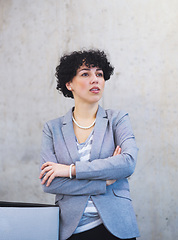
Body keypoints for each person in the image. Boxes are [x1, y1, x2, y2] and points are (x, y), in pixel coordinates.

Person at [39, 49, 140, 240]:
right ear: (69, 84)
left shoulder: (118, 119)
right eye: (85, 74)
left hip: (116, 226)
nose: (95, 79)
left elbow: (127, 163)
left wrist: (70, 171)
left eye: (99, 74)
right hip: (71, 229)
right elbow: (50, 182)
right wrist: (104, 181)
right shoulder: (52, 129)